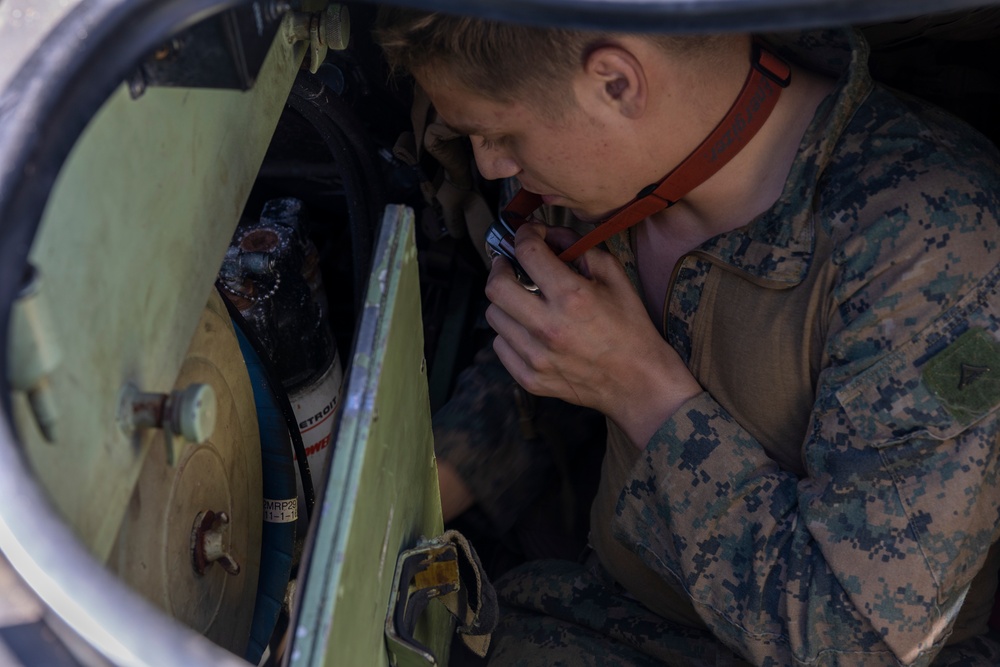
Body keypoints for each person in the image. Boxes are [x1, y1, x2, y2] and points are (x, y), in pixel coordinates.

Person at [376, 9, 1000, 666]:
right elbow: (554, 365)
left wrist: (643, 391)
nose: (489, 160)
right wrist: (406, 504)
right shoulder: (609, 166)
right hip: (586, 609)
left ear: (616, 83)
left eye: (500, 133)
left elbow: (853, 644)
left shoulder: (938, 252)